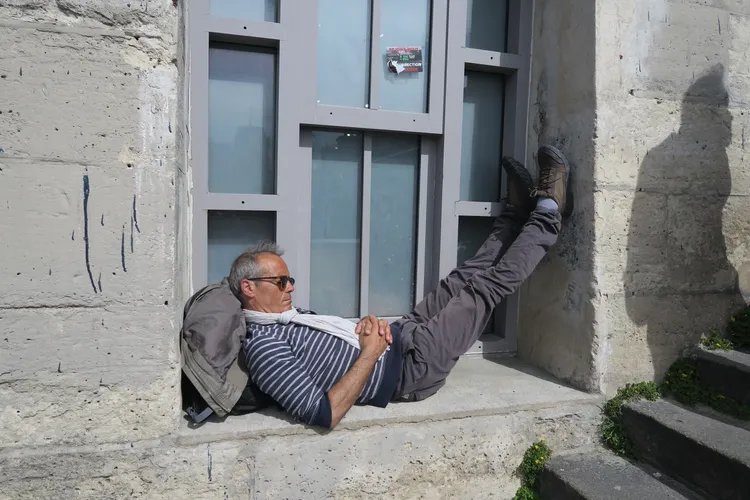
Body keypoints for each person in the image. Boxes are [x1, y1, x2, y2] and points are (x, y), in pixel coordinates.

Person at [229, 145, 571, 429]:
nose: (290, 287)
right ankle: (549, 211)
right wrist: (371, 352)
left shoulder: (288, 317)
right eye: (281, 281)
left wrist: (365, 326)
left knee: (463, 277)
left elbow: (335, 351)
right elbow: (324, 414)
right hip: (412, 370)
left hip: (402, 333)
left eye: (289, 280)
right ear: (249, 287)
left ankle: (514, 217)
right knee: (484, 289)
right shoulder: (265, 349)